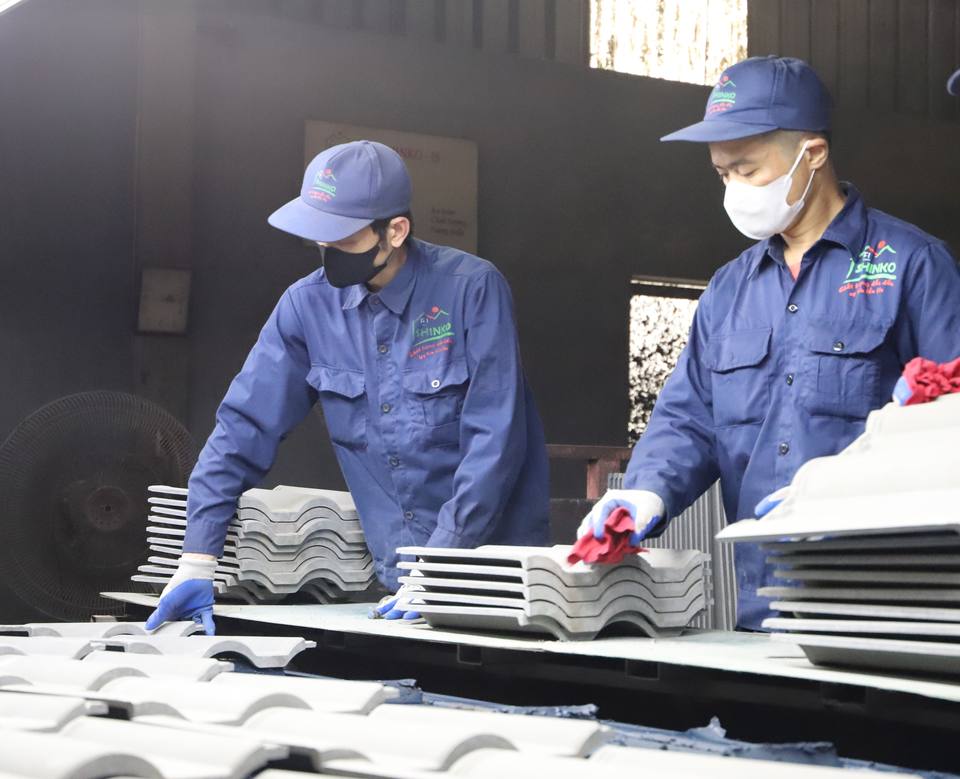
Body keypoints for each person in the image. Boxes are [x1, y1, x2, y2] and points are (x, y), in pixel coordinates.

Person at [579, 56, 960, 630]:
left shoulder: (912, 265)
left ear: (813, 154)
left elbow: (947, 431)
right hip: (761, 599)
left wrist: (838, 493)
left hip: (885, 601)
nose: (734, 188)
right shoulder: (729, 289)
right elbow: (689, 418)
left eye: (748, 169)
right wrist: (645, 492)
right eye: (722, 174)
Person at [146, 140, 549, 634]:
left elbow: (495, 437)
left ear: (395, 231)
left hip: (497, 576)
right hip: (399, 583)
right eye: (321, 237)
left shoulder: (471, 289)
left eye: (343, 237)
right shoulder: (306, 307)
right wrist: (197, 559)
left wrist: (442, 564)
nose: (329, 252)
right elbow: (243, 427)